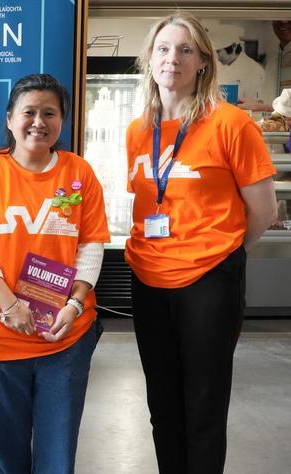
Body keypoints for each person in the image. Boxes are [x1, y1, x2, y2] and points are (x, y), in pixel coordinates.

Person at [126, 12, 278, 473]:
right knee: (162, 404)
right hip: (147, 276)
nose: (173, 59)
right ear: (151, 60)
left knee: (205, 406)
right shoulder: (138, 131)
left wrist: (223, 256)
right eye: (164, 49)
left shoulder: (231, 124)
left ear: (203, 64)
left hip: (208, 281)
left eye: (185, 50)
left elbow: (265, 211)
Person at [0, 73, 110, 474]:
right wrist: (10, 306)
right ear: (10, 119)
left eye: (50, 113)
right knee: (7, 452)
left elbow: (91, 246)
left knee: (58, 454)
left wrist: (75, 305)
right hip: (2, 335)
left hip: (66, 337)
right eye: (29, 112)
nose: (39, 122)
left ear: (62, 121)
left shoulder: (79, 173)